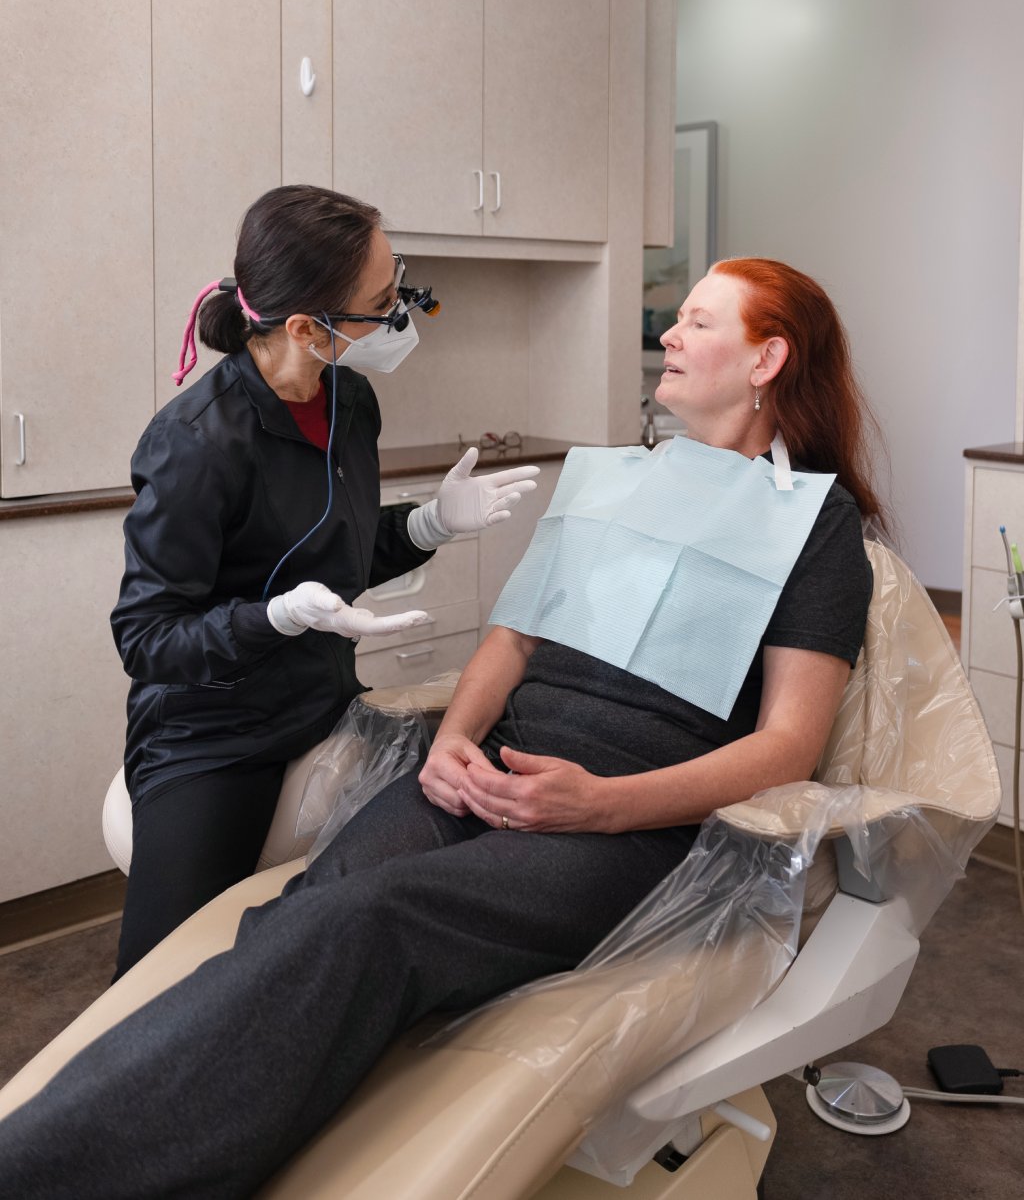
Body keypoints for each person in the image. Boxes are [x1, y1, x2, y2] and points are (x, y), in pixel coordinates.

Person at [0, 258, 884, 1197]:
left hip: (628, 824)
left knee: (371, 921)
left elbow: (788, 745)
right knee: (305, 906)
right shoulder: (618, 483)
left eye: (699, 322)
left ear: (766, 360)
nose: (667, 332)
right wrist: (455, 740)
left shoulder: (813, 527)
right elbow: (510, 639)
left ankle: (41, 1170)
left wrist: (601, 804)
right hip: (482, 769)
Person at [109, 184, 540, 977]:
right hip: (214, 735)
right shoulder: (195, 443)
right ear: (307, 327)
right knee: (163, 979)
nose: (400, 315)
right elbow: (147, 637)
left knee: (353, 924)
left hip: (325, 700)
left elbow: (340, 555)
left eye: (397, 285)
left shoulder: (351, 400)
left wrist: (427, 525)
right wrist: (273, 617)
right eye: (380, 304)